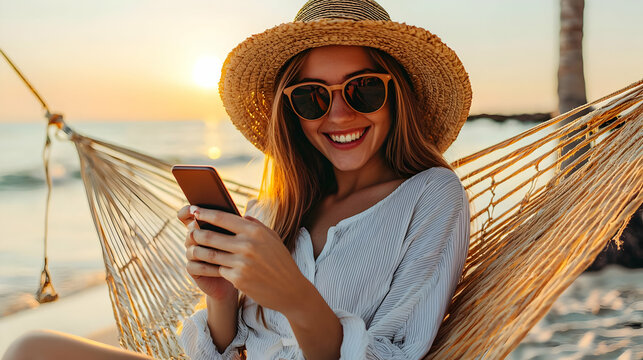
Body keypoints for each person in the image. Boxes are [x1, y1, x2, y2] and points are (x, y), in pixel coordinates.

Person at [2, 0, 472, 359]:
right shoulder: (274, 210)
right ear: (292, 114)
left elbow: (398, 352)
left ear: (396, 95)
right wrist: (221, 299)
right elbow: (233, 348)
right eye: (311, 98)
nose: (338, 114)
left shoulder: (430, 196)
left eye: (363, 88)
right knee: (29, 349)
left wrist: (295, 296)